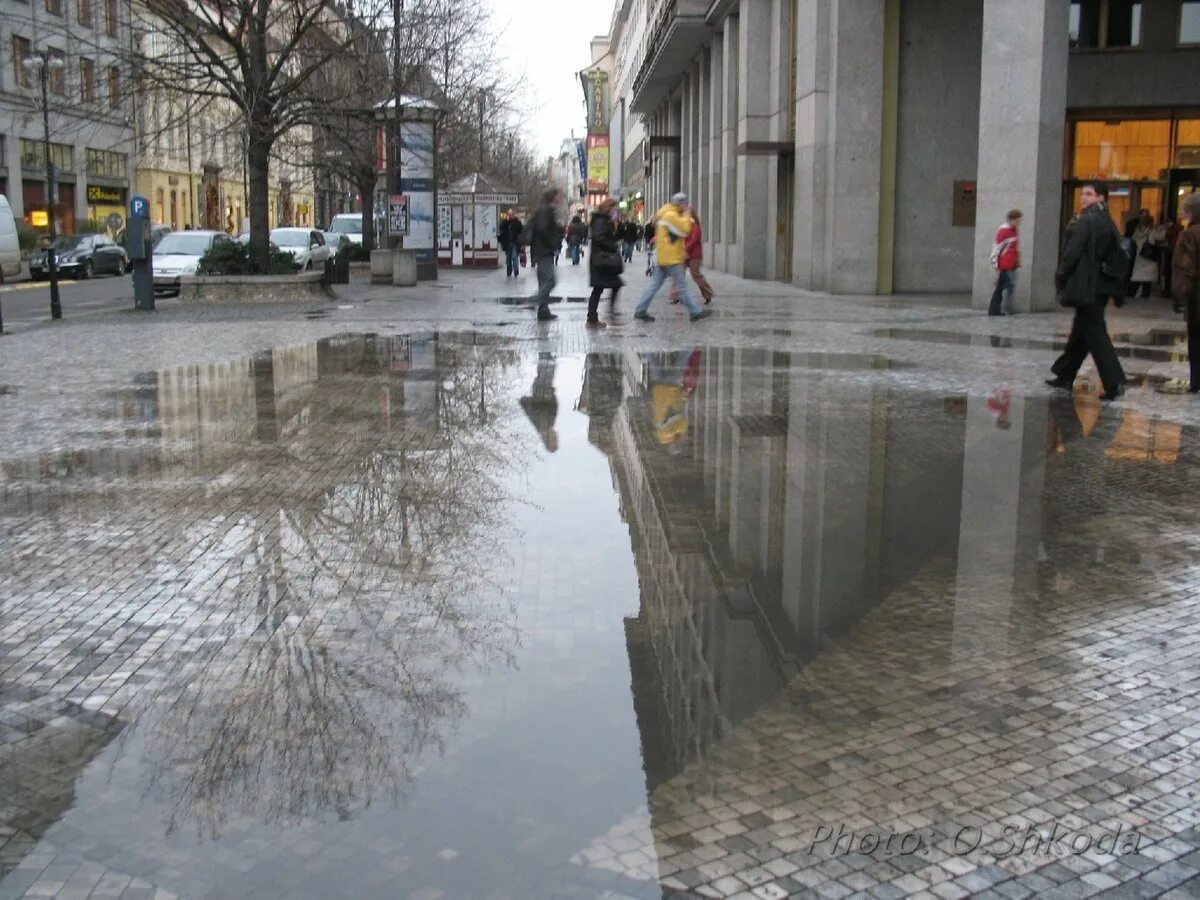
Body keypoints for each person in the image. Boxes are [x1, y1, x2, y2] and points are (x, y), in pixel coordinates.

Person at [1046, 181, 1126, 402]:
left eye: (1089, 194)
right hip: (1100, 286)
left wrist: (1061, 274)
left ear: (1101, 198)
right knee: (1081, 331)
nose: (1083, 198)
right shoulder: (1108, 220)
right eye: (1082, 194)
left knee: (1096, 333)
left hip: (1087, 285)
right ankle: (1065, 374)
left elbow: (1073, 252)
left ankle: (1114, 381)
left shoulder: (1087, 221)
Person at [634, 193, 712, 323]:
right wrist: (687, 215)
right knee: (682, 286)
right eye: (685, 204)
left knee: (654, 286)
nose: (687, 206)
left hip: (665, 257)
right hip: (672, 258)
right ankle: (694, 312)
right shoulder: (671, 215)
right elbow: (685, 230)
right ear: (680, 204)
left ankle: (640, 310)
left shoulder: (666, 213)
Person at [1169, 191, 1200, 394]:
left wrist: (1178, 295)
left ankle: (1196, 381)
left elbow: (1185, 270)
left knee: (1196, 340)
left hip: (1197, 300)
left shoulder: (1190, 234)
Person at [586, 198, 623, 329]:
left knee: (608, 286)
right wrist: (613, 246)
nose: (616, 210)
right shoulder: (600, 221)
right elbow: (599, 237)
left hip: (602, 259)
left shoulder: (603, 220)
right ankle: (593, 319)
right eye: (614, 208)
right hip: (602, 259)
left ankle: (593, 318)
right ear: (609, 208)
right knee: (599, 289)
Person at [527, 188, 563, 321]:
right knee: (550, 281)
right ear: (553, 197)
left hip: (541, 250)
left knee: (543, 281)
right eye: (559, 196)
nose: (561, 199)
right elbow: (543, 229)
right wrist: (553, 243)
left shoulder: (544, 209)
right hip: (543, 251)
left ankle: (543, 311)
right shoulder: (545, 209)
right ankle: (534, 300)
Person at [668, 209, 715, 305]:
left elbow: (694, 240)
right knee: (678, 274)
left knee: (696, 274)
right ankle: (675, 296)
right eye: (684, 214)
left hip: (694, 254)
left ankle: (708, 293)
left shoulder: (695, 226)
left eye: (687, 213)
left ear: (692, 215)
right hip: (683, 254)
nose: (685, 215)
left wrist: (685, 249)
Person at [987, 209, 1021, 316]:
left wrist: (1017, 260)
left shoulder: (1015, 230)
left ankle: (994, 310)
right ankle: (1008, 308)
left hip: (1011, 263)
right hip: (1005, 264)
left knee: (1001, 287)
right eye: (1017, 220)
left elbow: (1015, 247)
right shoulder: (1003, 231)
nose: (1019, 223)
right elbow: (997, 247)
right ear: (1011, 220)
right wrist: (994, 262)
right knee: (1010, 285)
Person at [1126, 209, 1164, 299]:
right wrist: (1163, 228)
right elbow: (1161, 237)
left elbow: (1133, 239)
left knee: (1137, 276)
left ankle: (1131, 293)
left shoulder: (1137, 230)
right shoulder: (1152, 231)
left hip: (1140, 255)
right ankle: (1144, 295)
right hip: (1149, 256)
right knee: (1148, 279)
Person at [498, 209, 523, 278]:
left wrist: (521, 242)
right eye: (509, 214)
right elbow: (501, 227)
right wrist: (506, 220)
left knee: (514, 257)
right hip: (507, 243)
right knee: (508, 259)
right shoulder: (506, 222)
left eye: (512, 214)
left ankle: (516, 271)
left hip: (515, 243)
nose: (511, 216)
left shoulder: (518, 223)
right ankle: (509, 271)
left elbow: (521, 232)